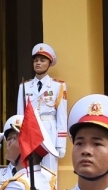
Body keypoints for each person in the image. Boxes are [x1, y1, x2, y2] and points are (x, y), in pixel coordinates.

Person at [15, 43, 68, 174]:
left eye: (42, 60)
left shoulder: (57, 86)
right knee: (30, 171)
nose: (38, 63)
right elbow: (20, 115)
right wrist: (20, 139)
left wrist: (61, 144)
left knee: (49, 171)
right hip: (30, 130)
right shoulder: (25, 86)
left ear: (49, 64)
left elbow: (61, 116)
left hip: (49, 129)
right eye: (36, 60)